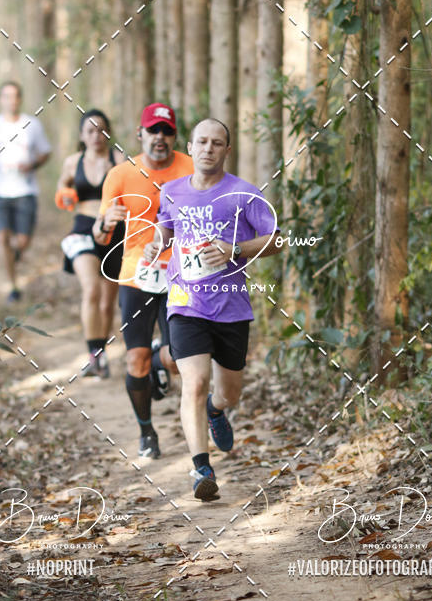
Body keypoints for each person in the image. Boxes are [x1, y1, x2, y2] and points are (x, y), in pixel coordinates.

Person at [144, 118, 281, 501]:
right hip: (186, 303)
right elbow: (165, 229)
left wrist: (235, 249)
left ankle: (216, 412)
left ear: (226, 150)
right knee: (195, 381)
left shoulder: (243, 194)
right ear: (189, 147)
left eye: (216, 143)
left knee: (227, 392)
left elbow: (277, 239)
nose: (208, 148)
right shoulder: (170, 191)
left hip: (232, 308)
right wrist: (157, 245)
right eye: (202, 142)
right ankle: (201, 468)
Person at [93, 103, 194, 459]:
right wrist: (107, 223)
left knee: (177, 359)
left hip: (181, 275)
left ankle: (158, 356)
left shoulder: (191, 168)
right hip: (135, 276)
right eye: (154, 131)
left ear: (175, 136)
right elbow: (101, 235)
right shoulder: (120, 174)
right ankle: (146, 431)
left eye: (167, 131)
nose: (160, 138)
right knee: (134, 361)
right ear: (141, 134)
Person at [56, 109, 125, 379]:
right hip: (83, 228)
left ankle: (101, 353)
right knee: (91, 289)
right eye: (91, 131)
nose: (97, 135)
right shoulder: (73, 162)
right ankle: (92, 354)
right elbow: (62, 190)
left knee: (108, 303)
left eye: (102, 130)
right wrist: (65, 194)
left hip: (115, 231)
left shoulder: (119, 160)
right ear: (82, 136)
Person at [0, 81, 52, 302]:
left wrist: (33, 164)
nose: (11, 100)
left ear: (20, 99)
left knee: (22, 241)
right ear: (1, 99)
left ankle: (14, 255)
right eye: (6, 96)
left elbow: (45, 152)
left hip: (25, 189)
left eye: (15, 96)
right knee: (1, 237)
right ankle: (13, 286)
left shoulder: (32, 124)